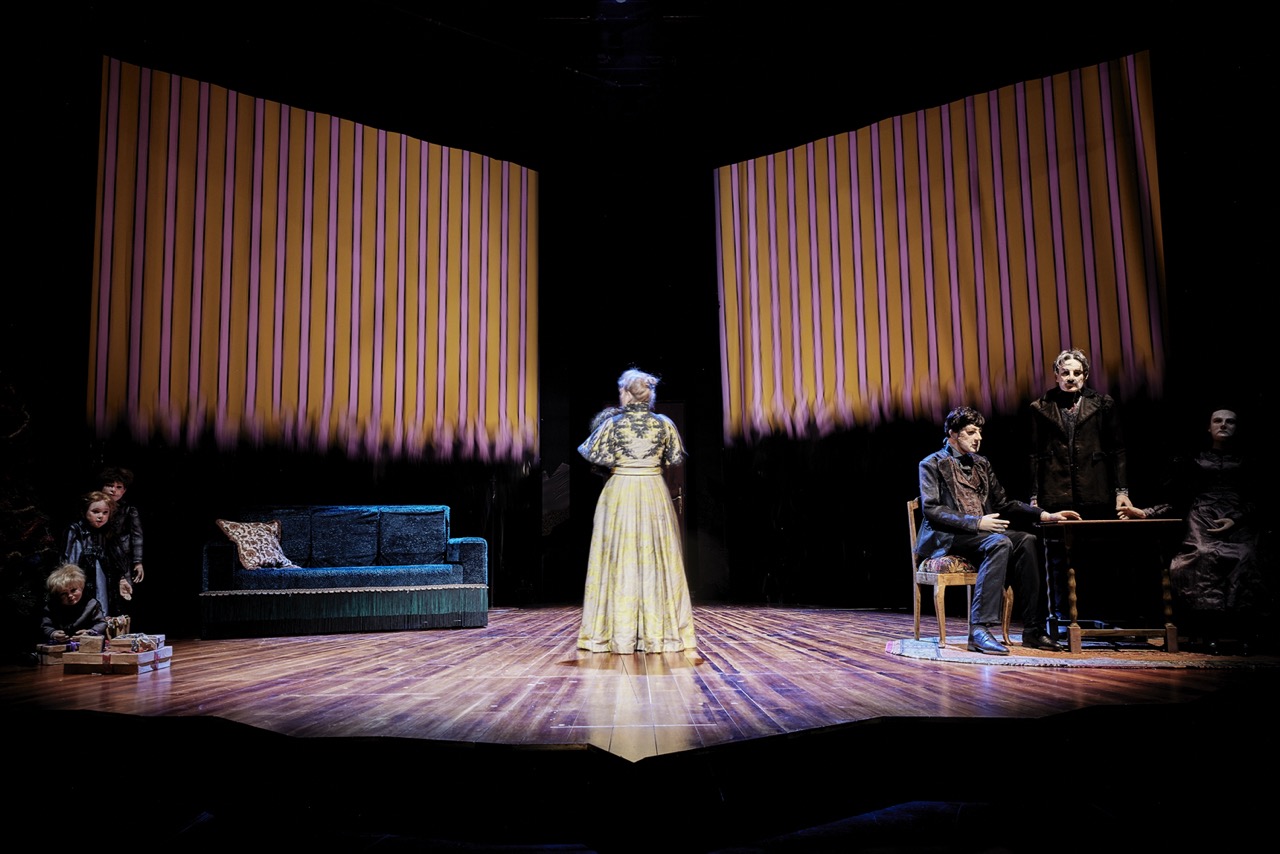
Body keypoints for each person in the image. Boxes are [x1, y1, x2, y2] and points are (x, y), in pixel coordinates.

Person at [917, 406, 1080, 655]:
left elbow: (1003, 503)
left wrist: (1043, 514)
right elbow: (932, 509)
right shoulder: (931, 464)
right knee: (1000, 542)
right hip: (949, 537)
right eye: (971, 432)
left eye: (979, 432)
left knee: (1026, 540)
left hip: (982, 536)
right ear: (953, 433)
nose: (978, 438)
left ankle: (1033, 629)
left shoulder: (981, 464)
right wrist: (976, 523)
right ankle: (979, 630)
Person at [1125, 409, 1273, 652]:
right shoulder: (1194, 460)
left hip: (1240, 521)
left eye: (1230, 421)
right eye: (1218, 421)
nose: (1223, 425)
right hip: (1202, 518)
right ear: (1208, 427)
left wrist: (1235, 519)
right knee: (1203, 557)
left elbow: (1260, 498)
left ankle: (1245, 632)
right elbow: (1178, 497)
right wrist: (1146, 512)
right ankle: (1209, 632)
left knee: (1247, 558)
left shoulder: (1249, 461)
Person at [577, 368, 697, 654]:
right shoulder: (665, 424)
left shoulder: (612, 424)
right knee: (656, 557)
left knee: (619, 556)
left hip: (621, 491)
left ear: (626, 394)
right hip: (653, 491)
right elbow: (674, 457)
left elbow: (594, 454)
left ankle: (616, 634)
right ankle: (657, 634)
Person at [1029, 348, 1132, 622]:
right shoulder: (1040, 407)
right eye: (1065, 373)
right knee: (1058, 557)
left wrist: (1122, 491)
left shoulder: (1103, 404)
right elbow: (1034, 454)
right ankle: (1062, 617)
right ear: (1056, 375)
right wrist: (1034, 495)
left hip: (1094, 489)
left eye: (1077, 373)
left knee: (1097, 554)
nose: (1071, 378)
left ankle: (1101, 615)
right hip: (1056, 491)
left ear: (1085, 375)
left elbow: (1118, 450)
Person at [61, 490, 127, 615]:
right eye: (95, 512)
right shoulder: (75, 529)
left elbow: (117, 555)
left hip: (102, 573)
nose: (101, 516)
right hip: (80, 573)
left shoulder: (107, 531)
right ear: (85, 511)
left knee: (103, 598)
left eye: (105, 512)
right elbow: (68, 555)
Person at [40, 563, 107, 644]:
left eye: (73, 590)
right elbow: (45, 626)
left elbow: (101, 623)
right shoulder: (52, 607)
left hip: (86, 644)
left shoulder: (91, 604)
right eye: (64, 593)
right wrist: (53, 634)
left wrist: (90, 632)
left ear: (81, 587)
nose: (70, 596)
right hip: (59, 645)